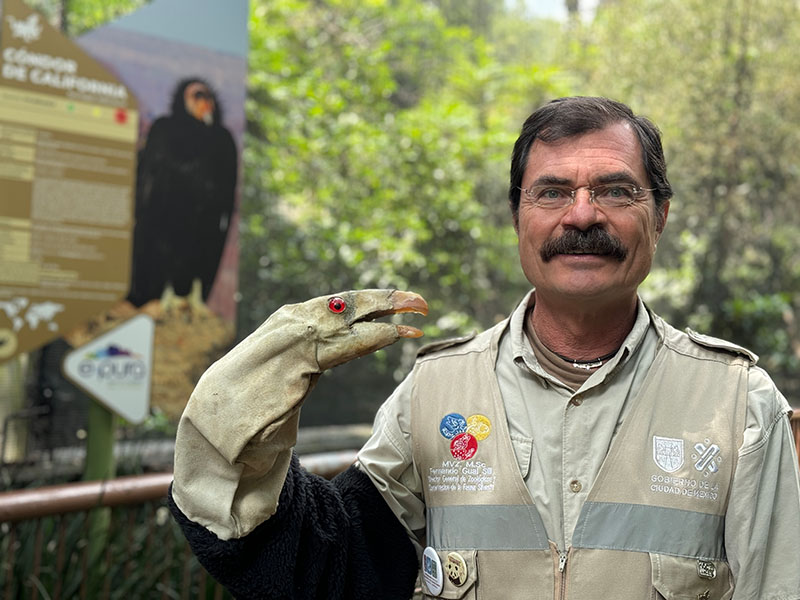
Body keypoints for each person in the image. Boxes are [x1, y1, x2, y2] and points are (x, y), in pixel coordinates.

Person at [168, 96, 800, 599]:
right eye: (552, 192)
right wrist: (235, 443)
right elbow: (336, 566)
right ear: (517, 216)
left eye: (614, 191)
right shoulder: (434, 391)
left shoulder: (739, 402)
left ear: (660, 216)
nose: (581, 216)